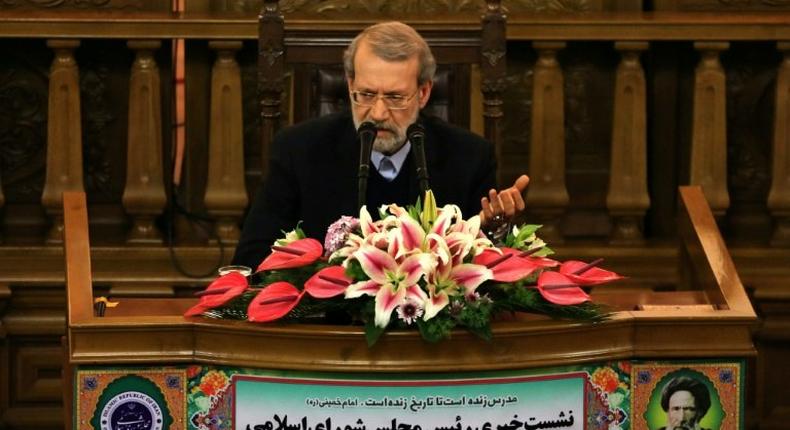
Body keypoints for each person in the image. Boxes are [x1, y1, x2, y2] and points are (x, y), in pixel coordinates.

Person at [232, 21, 529, 268]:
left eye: (395, 97)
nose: (377, 113)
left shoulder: (469, 157)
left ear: (424, 92)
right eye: (365, 94)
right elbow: (252, 257)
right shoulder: (298, 150)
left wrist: (494, 228)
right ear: (349, 85)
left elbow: (487, 268)